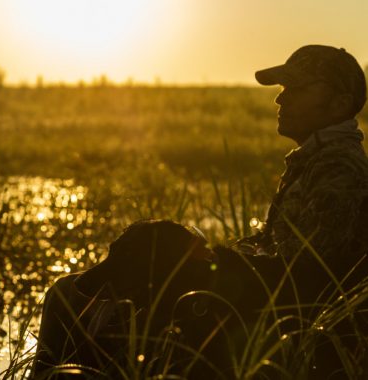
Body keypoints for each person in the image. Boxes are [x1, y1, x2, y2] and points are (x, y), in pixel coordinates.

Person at [231, 45, 368, 378]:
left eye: (297, 89)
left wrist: (233, 269)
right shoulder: (316, 157)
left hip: (310, 338)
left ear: (340, 102)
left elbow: (307, 271)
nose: (280, 99)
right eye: (282, 89)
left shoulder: (339, 167)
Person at [30, 220, 236, 379]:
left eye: (126, 259)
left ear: (165, 267)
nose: (83, 281)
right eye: (114, 254)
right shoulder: (66, 294)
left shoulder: (214, 316)